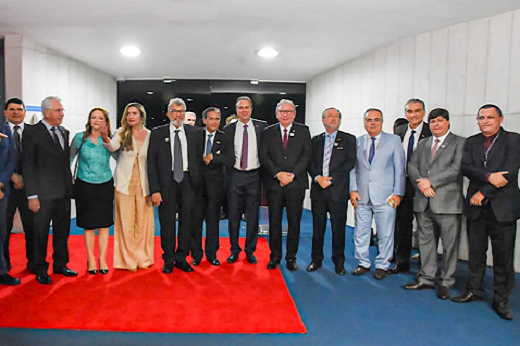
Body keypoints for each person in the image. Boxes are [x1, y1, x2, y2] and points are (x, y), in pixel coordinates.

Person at [452, 104, 520, 321]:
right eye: (481, 117)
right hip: (476, 208)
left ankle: (501, 299)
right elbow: (466, 167)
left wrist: (484, 191)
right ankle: (475, 289)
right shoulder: (472, 142)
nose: (485, 121)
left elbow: (510, 171)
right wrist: (489, 177)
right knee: (476, 252)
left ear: (500, 118)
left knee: (503, 256)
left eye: (490, 117)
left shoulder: (513, 140)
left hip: (503, 208)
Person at [404, 108, 465, 299]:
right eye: (432, 122)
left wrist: (431, 182)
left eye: (439, 121)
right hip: (423, 202)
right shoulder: (423, 143)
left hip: (447, 203)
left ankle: (447, 282)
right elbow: (412, 166)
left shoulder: (459, 142)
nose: (436, 125)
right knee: (426, 243)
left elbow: (456, 169)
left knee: (449, 245)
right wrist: (422, 185)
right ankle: (426, 278)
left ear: (447, 122)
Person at [23, 96, 77, 284]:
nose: (62, 114)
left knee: (63, 231)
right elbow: (28, 165)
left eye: (62, 110)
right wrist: (32, 195)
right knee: (40, 233)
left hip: (62, 193)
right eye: (58, 110)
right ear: (47, 113)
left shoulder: (64, 132)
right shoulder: (32, 132)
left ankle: (60, 264)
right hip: (42, 195)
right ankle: (40, 268)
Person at [147, 98, 202, 273]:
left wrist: (197, 184)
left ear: (185, 113)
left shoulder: (195, 133)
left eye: (181, 111)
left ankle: (181, 257)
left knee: (187, 222)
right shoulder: (157, 133)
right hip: (166, 184)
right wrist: (154, 190)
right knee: (167, 222)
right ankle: (169, 258)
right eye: (174, 111)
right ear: (168, 113)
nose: (177, 114)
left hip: (188, 182)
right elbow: (151, 163)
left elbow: (200, 161)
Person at [350, 108, 405, 280]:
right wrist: (353, 190)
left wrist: (398, 193)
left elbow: (400, 169)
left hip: (386, 196)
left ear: (382, 122)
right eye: (369, 120)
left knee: (385, 233)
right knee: (361, 232)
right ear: (364, 122)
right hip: (362, 196)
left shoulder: (394, 141)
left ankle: (382, 264)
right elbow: (353, 169)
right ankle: (363, 262)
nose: (372, 123)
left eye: (376, 120)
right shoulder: (357, 142)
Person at [260, 99, 311, 271]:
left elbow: (306, 155)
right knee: (274, 222)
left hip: (295, 185)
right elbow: (264, 156)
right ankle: (275, 256)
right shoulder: (268, 132)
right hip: (274, 185)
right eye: (282, 111)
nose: (286, 114)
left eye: (289, 111)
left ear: (295, 114)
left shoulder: (304, 131)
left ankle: (291, 257)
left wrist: (292, 175)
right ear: (276, 113)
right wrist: (278, 174)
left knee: (294, 222)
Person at [103, 102, 154, 272]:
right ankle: (127, 261)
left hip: (144, 184)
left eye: (134, 113)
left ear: (141, 116)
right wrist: (105, 137)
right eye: (128, 113)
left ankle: (143, 259)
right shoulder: (121, 133)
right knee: (125, 222)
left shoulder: (150, 135)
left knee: (144, 223)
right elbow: (112, 147)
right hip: (124, 183)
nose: (131, 116)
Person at [307, 107, 356, 275]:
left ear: (340, 120)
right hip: (318, 190)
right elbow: (309, 162)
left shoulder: (349, 140)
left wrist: (331, 179)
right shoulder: (315, 141)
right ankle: (316, 259)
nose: (333, 119)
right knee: (317, 228)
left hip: (338, 190)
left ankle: (339, 262)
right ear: (323, 120)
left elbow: (349, 163)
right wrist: (317, 177)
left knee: (338, 228)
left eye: (336, 116)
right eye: (329, 116)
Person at [223, 96, 267, 264]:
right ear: (236, 110)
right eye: (241, 107)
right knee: (233, 216)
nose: (244, 110)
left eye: (247, 107)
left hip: (254, 176)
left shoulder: (262, 127)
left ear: (251, 109)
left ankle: (250, 250)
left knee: (253, 217)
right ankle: (234, 250)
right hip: (235, 176)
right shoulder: (228, 129)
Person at [390, 98, 432, 274]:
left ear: (423, 112)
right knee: (402, 225)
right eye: (409, 111)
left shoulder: (431, 130)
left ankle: (426, 265)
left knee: (425, 226)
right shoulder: (399, 131)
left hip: (424, 184)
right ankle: (402, 262)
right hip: (403, 184)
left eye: (417, 111)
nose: (413, 115)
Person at [71, 107, 114, 275]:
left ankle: (102, 259)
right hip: (85, 184)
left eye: (100, 118)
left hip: (105, 184)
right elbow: (69, 158)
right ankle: (90, 258)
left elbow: (118, 157)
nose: (96, 120)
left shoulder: (108, 139)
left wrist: (106, 139)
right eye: (93, 117)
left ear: (105, 121)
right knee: (88, 225)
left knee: (104, 224)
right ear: (89, 120)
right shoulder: (79, 138)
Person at [191, 107, 233, 266]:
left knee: (213, 223)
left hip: (216, 188)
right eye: (211, 118)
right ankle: (196, 254)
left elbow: (230, 159)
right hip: (196, 187)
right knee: (195, 222)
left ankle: (211, 254)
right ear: (204, 120)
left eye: (217, 118)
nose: (214, 122)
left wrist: (214, 157)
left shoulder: (225, 137)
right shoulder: (196, 135)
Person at [3, 98, 35, 272]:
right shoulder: (1, 131)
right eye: (12, 109)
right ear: (5, 112)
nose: (16, 112)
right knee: (4, 229)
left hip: (29, 189)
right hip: (5, 188)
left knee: (32, 228)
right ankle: (4, 264)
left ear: (24, 112)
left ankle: (33, 263)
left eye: (19, 109)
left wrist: (25, 178)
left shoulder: (33, 132)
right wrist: (12, 176)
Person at [0, 126, 21, 285]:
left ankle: (1, 271)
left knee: (1, 231)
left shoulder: (5, 129)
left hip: (2, 189)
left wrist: (1, 182)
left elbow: (11, 158)